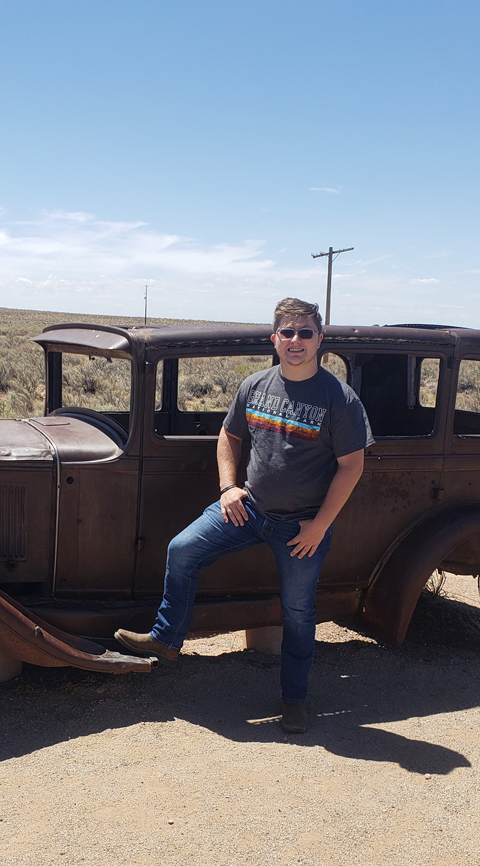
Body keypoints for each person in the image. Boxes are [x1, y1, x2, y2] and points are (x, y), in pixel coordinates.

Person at [115, 297, 373, 733]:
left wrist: (321, 525)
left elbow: (352, 465)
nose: (296, 341)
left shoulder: (339, 399)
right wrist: (228, 488)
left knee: (297, 611)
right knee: (183, 550)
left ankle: (294, 700)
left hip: (302, 527)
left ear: (320, 339)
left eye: (305, 332)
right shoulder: (255, 386)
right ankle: (166, 638)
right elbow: (228, 435)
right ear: (274, 339)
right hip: (249, 508)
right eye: (287, 332)